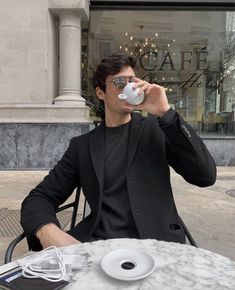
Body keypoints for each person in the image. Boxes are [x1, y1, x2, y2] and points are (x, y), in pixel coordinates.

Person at [21, 54, 216, 251]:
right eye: (120, 82)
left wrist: (166, 113)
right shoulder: (82, 146)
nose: (129, 87)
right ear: (100, 93)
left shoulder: (156, 129)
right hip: (99, 247)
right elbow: (40, 197)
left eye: (133, 82)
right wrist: (48, 231)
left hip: (156, 246)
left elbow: (205, 175)